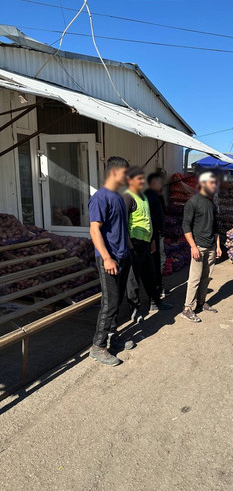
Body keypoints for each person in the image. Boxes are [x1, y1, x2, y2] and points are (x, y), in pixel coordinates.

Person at [88, 156, 134, 367]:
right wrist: (107, 258)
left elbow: (120, 228)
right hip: (109, 259)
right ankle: (98, 347)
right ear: (115, 172)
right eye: (125, 173)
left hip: (123, 257)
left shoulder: (118, 197)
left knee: (117, 301)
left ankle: (112, 338)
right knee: (109, 303)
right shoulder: (100, 197)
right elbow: (94, 229)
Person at [124, 166, 172, 316]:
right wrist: (129, 246)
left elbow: (148, 220)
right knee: (133, 280)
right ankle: (135, 310)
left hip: (145, 243)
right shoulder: (127, 197)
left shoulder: (143, 197)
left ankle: (156, 302)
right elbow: (124, 223)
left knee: (150, 275)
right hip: (134, 243)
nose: (142, 182)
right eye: (139, 179)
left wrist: (152, 241)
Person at [181, 172, 222, 323]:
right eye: (212, 183)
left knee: (206, 277)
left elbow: (215, 226)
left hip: (211, 247)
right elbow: (185, 225)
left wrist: (217, 246)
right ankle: (187, 308)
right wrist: (193, 246)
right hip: (198, 246)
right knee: (195, 278)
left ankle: (201, 302)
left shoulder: (211, 203)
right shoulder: (193, 202)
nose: (214, 186)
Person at [145, 173, 168, 299]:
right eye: (159, 182)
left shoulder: (157, 196)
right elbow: (150, 218)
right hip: (153, 235)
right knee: (158, 261)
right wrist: (153, 237)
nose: (162, 184)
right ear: (153, 183)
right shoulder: (149, 196)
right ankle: (156, 289)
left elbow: (163, 212)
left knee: (160, 260)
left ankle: (159, 286)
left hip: (158, 233)